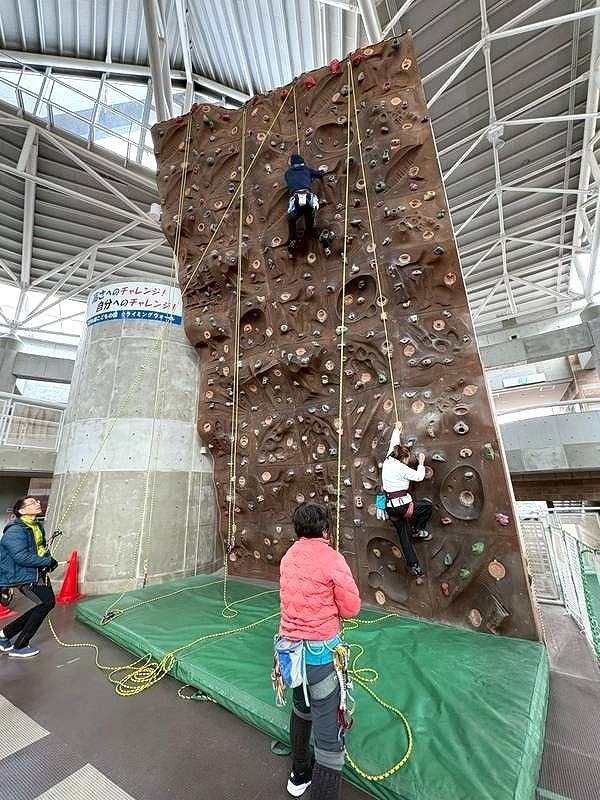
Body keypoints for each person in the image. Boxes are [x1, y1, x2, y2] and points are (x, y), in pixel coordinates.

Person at [279, 501, 361, 799]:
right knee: (328, 731)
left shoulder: (288, 556)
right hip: (321, 655)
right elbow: (351, 608)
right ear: (325, 528)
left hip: (290, 652)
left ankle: (299, 774)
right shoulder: (332, 559)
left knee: (301, 710)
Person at [0, 496, 58, 658]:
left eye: (37, 501)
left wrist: (48, 561)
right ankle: (20, 646)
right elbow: (21, 557)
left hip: (36, 572)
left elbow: (39, 549)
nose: (38, 503)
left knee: (46, 603)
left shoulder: (36, 526)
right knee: (46, 603)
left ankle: (4, 635)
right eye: (32, 503)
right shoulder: (15, 531)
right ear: (22, 510)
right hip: (22, 574)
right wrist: (47, 561)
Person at [381, 422, 433, 579]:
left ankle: (414, 565)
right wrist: (421, 463)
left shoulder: (388, 458)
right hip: (403, 506)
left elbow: (394, 443)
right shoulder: (401, 468)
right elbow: (419, 476)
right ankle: (418, 529)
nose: (408, 460)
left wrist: (397, 429)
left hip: (391, 508)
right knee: (427, 507)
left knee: (404, 536)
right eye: (407, 458)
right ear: (403, 458)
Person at [284, 154, 326, 251]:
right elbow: (319, 174)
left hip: (296, 199)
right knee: (309, 218)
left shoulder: (287, 173)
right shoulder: (307, 170)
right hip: (308, 197)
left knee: (291, 218)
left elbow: (290, 182)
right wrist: (322, 171)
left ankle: (293, 239)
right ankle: (315, 233)